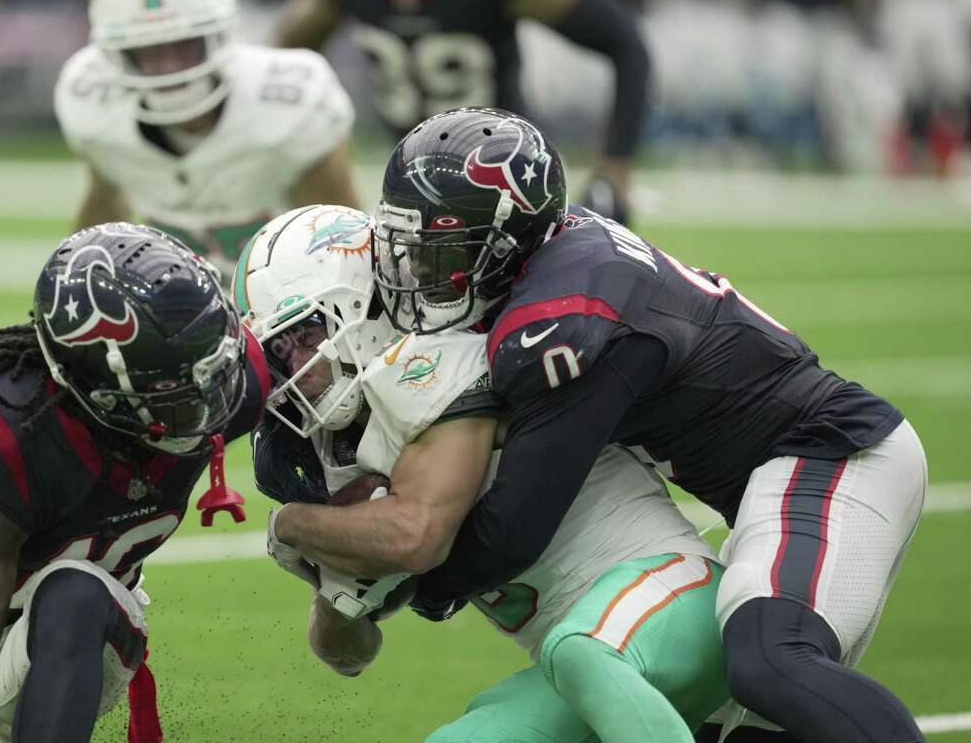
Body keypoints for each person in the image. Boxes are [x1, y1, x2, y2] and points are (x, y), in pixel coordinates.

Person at [365, 107, 927, 742]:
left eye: (444, 252)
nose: (421, 275)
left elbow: (517, 526)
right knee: (733, 722)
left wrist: (413, 579)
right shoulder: (555, 257)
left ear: (504, 241)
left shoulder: (561, 320)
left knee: (770, 660)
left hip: (831, 453)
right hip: (775, 482)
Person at [238, 205, 730, 741]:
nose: (293, 374)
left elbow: (413, 536)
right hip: (579, 657)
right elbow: (349, 656)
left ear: (360, 302)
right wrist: (337, 595)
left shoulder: (439, 357)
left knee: (579, 653)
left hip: (671, 597)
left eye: (304, 336)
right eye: (278, 357)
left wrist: (290, 526)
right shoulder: (331, 455)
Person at [0, 223, 269, 743]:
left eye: (213, 369)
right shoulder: (8, 433)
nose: (211, 401)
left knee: (76, 594)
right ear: (99, 392)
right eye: (175, 391)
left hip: (80, 637)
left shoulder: (230, 379)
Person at [275, 0, 650, 224]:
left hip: (507, 182)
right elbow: (283, 63)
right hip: (410, 185)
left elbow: (625, 43)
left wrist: (615, 171)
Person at [55, 0, 359, 276]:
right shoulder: (94, 105)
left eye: (184, 45)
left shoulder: (290, 105)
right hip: (177, 307)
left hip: (289, 304)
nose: (169, 68)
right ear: (119, 53)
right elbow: (104, 205)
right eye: (148, 50)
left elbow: (344, 242)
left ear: (219, 34)